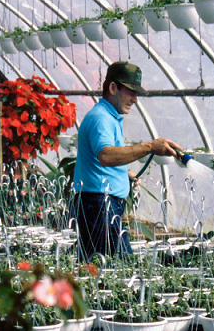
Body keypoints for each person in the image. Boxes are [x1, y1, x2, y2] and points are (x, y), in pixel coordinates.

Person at [72, 61, 181, 261]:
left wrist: (123, 174)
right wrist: (150, 147)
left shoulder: (109, 117)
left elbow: (101, 159)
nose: (135, 99)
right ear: (113, 87)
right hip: (99, 205)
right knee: (115, 268)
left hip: (100, 204)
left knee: (102, 265)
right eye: (131, 91)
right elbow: (106, 155)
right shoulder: (101, 118)